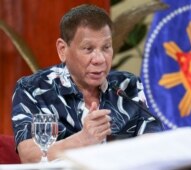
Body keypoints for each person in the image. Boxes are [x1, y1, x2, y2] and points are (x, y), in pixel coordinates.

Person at [11, 4, 164, 163]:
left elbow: (151, 141)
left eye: (106, 47)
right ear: (63, 50)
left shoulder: (127, 85)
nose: (100, 59)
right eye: (88, 49)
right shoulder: (33, 89)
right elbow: (29, 156)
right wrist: (83, 139)